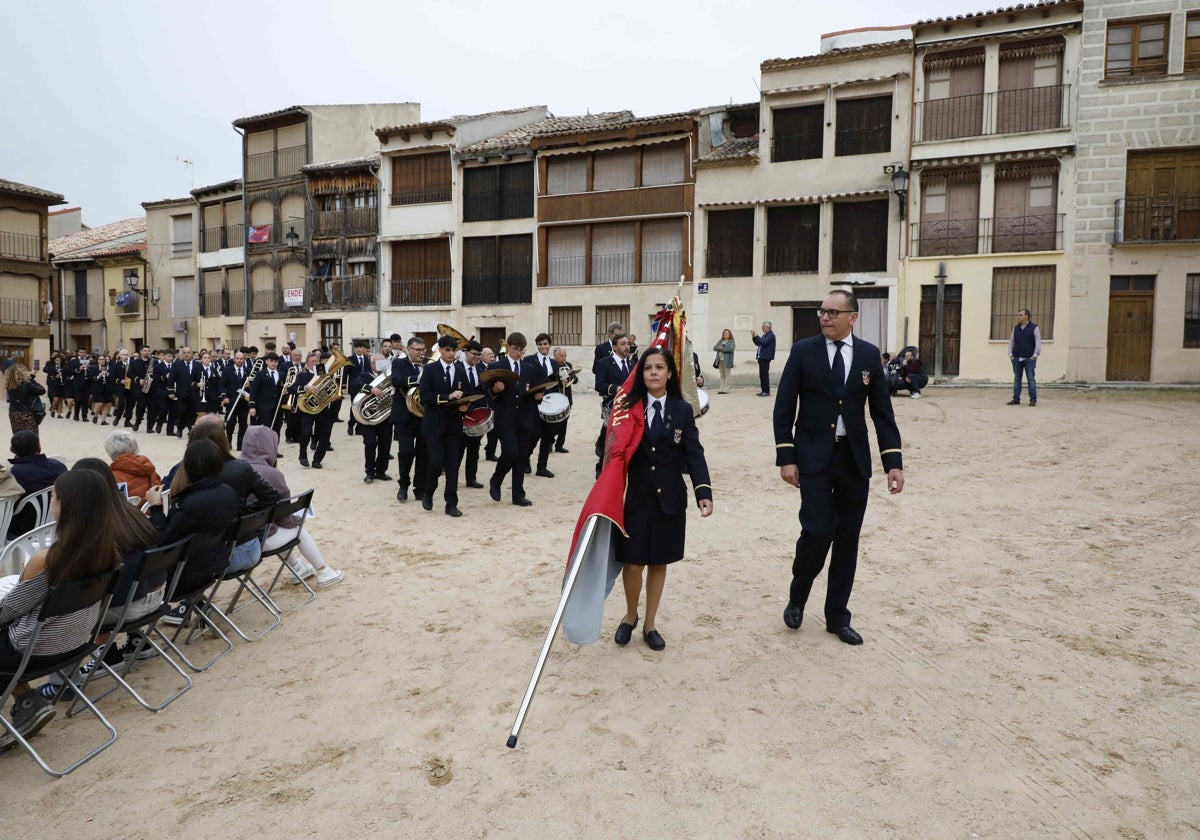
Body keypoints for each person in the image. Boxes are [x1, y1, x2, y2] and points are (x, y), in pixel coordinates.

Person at [773, 289, 904, 646]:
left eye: (833, 312)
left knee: (847, 539)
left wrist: (893, 461)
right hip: (813, 457)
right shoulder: (803, 351)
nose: (825, 318)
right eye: (822, 312)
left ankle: (837, 616)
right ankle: (798, 597)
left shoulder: (866, 354)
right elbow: (784, 407)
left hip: (853, 460)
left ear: (853, 317)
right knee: (817, 532)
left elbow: (881, 411)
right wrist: (787, 456)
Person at [0, 470, 124, 751]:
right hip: (75, 644)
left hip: (32, 650)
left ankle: (26, 703)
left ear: (64, 505)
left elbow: (8, 611)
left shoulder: (49, 559)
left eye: (53, 496)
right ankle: (26, 701)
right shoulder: (109, 552)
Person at [612, 347, 713, 652]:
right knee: (632, 564)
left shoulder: (682, 410)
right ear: (641, 374)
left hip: (670, 500)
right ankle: (630, 616)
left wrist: (703, 491)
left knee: (659, 563)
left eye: (660, 367)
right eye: (648, 368)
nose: (654, 372)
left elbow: (693, 452)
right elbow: (611, 451)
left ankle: (650, 624)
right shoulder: (628, 408)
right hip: (636, 500)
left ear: (670, 374)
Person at [240, 426, 343, 587]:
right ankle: (323, 571)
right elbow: (284, 516)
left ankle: (296, 567)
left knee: (274, 526)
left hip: (238, 538)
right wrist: (297, 518)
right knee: (297, 528)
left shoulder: (235, 467)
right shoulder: (271, 474)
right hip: (258, 540)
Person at [420, 335, 469, 517]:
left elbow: (467, 394)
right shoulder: (430, 369)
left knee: (453, 466)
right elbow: (425, 396)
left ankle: (451, 503)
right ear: (439, 350)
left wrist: (465, 406)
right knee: (435, 462)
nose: (450, 353)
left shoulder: (460, 371)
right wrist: (447, 397)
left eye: (453, 350)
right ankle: (429, 491)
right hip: (434, 424)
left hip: (454, 425)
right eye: (447, 350)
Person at [486, 332, 535, 507]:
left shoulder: (528, 367)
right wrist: (495, 390)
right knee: (511, 452)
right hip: (505, 418)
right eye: (515, 349)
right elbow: (486, 390)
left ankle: (518, 494)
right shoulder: (497, 366)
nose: (518, 353)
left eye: (521, 350)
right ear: (508, 347)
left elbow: (535, 390)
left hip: (524, 417)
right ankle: (496, 479)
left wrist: (538, 396)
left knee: (521, 456)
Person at [7, 431, 67, 540]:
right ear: (39, 447)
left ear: (12, 449)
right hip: (55, 523)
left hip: (23, 530)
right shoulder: (59, 467)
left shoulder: (13, 474)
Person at [390, 337, 428, 501]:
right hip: (404, 415)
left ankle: (419, 487)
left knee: (423, 453)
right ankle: (403, 485)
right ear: (409, 350)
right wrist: (416, 380)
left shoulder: (428, 365)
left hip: (422, 415)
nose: (421, 352)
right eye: (418, 349)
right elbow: (396, 380)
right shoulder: (399, 363)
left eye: (423, 349)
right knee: (406, 452)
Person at [594, 334, 633, 478]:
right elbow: (599, 385)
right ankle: (601, 471)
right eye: (623, 344)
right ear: (615, 347)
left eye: (628, 344)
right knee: (609, 439)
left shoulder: (631, 364)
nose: (626, 347)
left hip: (629, 407)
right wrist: (615, 388)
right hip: (612, 407)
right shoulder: (604, 363)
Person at [525, 332, 561, 478]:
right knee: (533, 435)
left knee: (547, 436)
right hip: (534, 403)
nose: (543, 347)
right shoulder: (528, 360)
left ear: (549, 345)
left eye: (545, 344)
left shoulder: (554, 363)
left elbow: (555, 382)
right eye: (540, 344)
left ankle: (542, 467)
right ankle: (525, 459)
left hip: (550, 405)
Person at [358, 352, 393, 484]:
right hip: (369, 418)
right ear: (372, 364)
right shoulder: (364, 375)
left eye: (383, 362)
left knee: (385, 445)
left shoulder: (388, 377)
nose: (380, 366)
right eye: (377, 363)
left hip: (385, 417)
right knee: (370, 444)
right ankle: (369, 472)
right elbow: (355, 385)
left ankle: (381, 471)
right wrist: (370, 389)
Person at [105, 429, 161, 502]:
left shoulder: (112, 476)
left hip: (131, 512)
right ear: (134, 447)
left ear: (110, 451)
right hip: (153, 510)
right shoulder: (149, 469)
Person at [1008, 308, 1041, 407]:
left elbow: (1038, 343)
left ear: (1027, 316)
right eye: (1018, 315)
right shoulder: (1016, 328)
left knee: (1031, 379)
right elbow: (1011, 342)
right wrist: (1010, 354)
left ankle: (1033, 400)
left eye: (1021, 315)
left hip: (1029, 358)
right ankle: (1016, 399)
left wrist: (1035, 356)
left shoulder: (1034, 328)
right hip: (1017, 357)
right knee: (1017, 379)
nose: (1018, 317)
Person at [4, 364, 45, 433]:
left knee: (17, 435)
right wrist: (31, 379)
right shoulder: (27, 384)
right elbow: (42, 390)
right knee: (31, 436)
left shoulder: (9, 385)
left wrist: (30, 377)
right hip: (26, 413)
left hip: (13, 412)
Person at [550, 347, 574, 453]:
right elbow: (550, 381)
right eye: (561, 356)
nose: (564, 358)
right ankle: (550, 442)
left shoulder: (568, 365)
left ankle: (560, 445)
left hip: (567, 397)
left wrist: (572, 376)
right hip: (555, 396)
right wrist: (560, 381)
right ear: (555, 356)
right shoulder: (551, 365)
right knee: (553, 423)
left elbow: (574, 380)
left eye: (565, 355)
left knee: (564, 422)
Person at [752, 321, 776, 397]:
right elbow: (758, 343)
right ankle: (763, 390)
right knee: (762, 375)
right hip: (761, 357)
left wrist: (756, 336)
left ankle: (766, 391)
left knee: (764, 375)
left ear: (768, 327)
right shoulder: (765, 335)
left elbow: (764, 343)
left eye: (763, 327)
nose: (762, 328)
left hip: (765, 357)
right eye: (762, 327)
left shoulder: (771, 335)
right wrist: (754, 337)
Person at [713, 329, 735, 394]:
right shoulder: (720, 341)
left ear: (729, 334)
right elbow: (715, 347)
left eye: (727, 333)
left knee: (727, 375)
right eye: (724, 333)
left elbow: (730, 349)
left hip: (727, 361)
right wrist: (722, 348)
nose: (725, 334)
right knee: (722, 375)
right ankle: (721, 389)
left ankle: (726, 389)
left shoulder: (731, 342)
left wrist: (721, 348)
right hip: (720, 360)